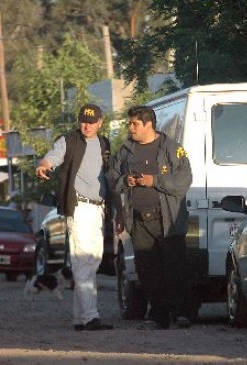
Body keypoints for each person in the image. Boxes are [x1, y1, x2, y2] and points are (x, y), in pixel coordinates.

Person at [106, 105, 193, 330]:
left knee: (174, 268)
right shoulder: (126, 150)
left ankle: (182, 313)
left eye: (134, 123)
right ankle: (158, 316)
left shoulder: (171, 149)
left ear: (148, 124)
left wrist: (153, 181)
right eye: (130, 123)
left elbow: (183, 180)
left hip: (168, 219)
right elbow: (111, 177)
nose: (130, 128)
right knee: (147, 270)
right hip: (138, 219)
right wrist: (126, 181)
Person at [35, 103, 113, 331]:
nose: (87, 125)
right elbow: (52, 157)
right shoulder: (68, 140)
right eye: (83, 121)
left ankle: (80, 317)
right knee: (82, 261)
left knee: (93, 261)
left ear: (100, 122)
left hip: (98, 209)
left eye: (91, 121)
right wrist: (44, 165)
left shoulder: (104, 143)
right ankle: (90, 316)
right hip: (78, 207)